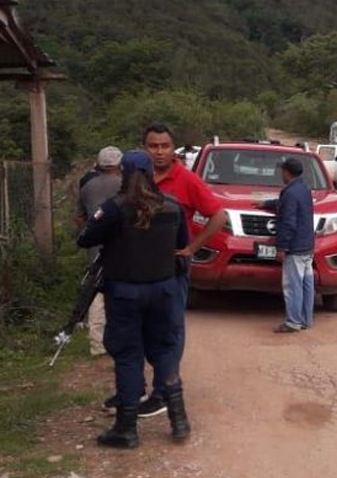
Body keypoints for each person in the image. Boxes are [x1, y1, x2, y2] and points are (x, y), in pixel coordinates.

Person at [77, 151, 190, 449]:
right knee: (164, 350)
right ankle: (179, 420)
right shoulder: (172, 206)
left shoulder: (114, 209)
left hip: (125, 293)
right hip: (164, 290)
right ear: (152, 173)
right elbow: (182, 243)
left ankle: (126, 429)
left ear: (123, 174)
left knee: (128, 355)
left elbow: (84, 238)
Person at [139, 124, 226, 418]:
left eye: (164, 146)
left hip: (173, 266)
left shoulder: (186, 179)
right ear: (144, 149)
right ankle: (137, 388)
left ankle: (164, 391)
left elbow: (218, 215)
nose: (159, 152)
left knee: (171, 327)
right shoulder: (138, 178)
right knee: (142, 327)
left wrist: (192, 247)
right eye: (153, 146)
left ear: (172, 148)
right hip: (140, 266)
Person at [77, 146, 123, 357]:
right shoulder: (123, 185)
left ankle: (96, 343)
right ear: (119, 164)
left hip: (95, 246)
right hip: (120, 246)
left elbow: (80, 217)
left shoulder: (87, 186)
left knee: (96, 291)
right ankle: (118, 338)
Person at [259, 159, 315, 333]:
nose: (281, 174)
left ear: (287, 172)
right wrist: (267, 204)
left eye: (282, 171)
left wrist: (282, 247)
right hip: (307, 245)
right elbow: (286, 205)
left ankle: (293, 322)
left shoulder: (290, 193)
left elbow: (288, 223)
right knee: (306, 284)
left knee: (292, 285)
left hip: (295, 247)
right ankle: (305, 319)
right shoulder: (304, 189)